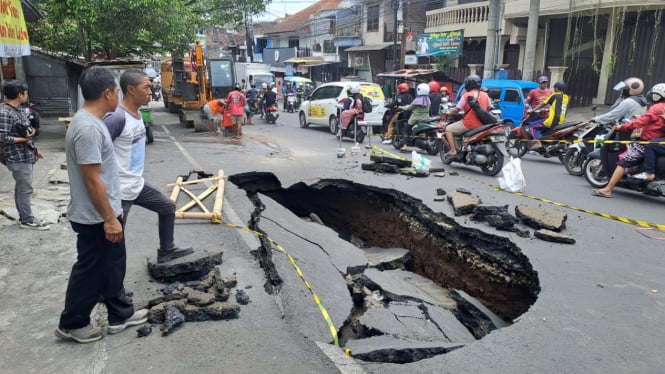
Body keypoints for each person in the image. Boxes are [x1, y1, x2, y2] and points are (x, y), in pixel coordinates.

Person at [56, 66, 147, 344]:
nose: (118, 96)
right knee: (91, 269)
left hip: (105, 211)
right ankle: (72, 323)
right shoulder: (87, 129)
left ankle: (120, 314)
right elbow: (93, 179)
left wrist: (114, 210)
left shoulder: (93, 122)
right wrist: (108, 217)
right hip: (94, 216)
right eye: (117, 91)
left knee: (112, 264)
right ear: (107, 92)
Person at [104, 68, 194, 264]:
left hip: (136, 184)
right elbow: (96, 158)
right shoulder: (116, 118)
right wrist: (108, 202)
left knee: (168, 207)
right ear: (130, 89)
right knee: (114, 243)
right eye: (146, 87)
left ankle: (167, 250)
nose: (150, 92)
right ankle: (109, 290)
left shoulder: (137, 115)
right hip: (119, 191)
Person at [591, 83, 665, 197]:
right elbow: (654, 122)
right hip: (657, 140)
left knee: (623, 162)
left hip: (646, 141)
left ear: (656, 96)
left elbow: (641, 122)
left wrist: (623, 126)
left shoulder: (657, 107)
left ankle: (608, 189)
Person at [0, 80, 49, 230]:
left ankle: (24, 216)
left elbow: (26, 130)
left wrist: (34, 148)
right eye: (25, 93)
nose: (26, 95)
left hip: (25, 154)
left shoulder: (18, 110)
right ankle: (27, 220)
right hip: (17, 157)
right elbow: (2, 137)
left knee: (22, 188)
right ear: (19, 94)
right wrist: (24, 139)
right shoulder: (5, 113)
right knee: (25, 189)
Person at [444, 75, 492, 157]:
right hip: (483, 124)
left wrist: (449, 113)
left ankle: (453, 150)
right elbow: (489, 107)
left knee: (448, 129)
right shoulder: (485, 95)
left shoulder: (466, 95)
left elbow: (457, 109)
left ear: (468, 84)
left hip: (469, 124)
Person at [526, 81, 569, 149]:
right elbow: (558, 108)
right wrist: (547, 110)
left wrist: (532, 110)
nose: (554, 89)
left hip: (552, 121)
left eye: (554, 87)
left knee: (531, 126)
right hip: (561, 122)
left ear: (557, 88)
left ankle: (538, 143)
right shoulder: (566, 97)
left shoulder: (554, 95)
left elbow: (542, 104)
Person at [398, 83, 432, 152]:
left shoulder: (418, 100)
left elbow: (409, 108)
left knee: (406, 130)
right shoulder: (428, 100)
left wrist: (401, 107)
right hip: (426, 118)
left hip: (415, 118)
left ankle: (404, 146)